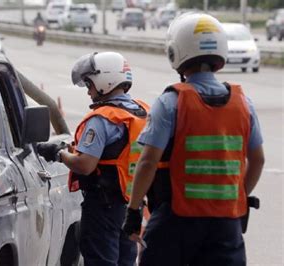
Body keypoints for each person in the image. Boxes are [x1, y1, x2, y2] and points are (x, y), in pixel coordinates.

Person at [122, 13, 265, 266]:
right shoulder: (244, 103)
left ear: (176, 52)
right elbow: (258, 160)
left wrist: (134, 210)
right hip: (226, 224)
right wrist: (239, 198)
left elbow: (147, 163)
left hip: (176, 221)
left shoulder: (171, 102)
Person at [37, 52, 149, 266]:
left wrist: (58, 153)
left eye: (89, 84)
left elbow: (85, 165)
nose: (88, 91)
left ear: (104, 81)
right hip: (131, 205)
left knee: (101, 260)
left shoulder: (102, 119)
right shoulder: (141, 112)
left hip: (103, 207)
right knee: (125, 260)